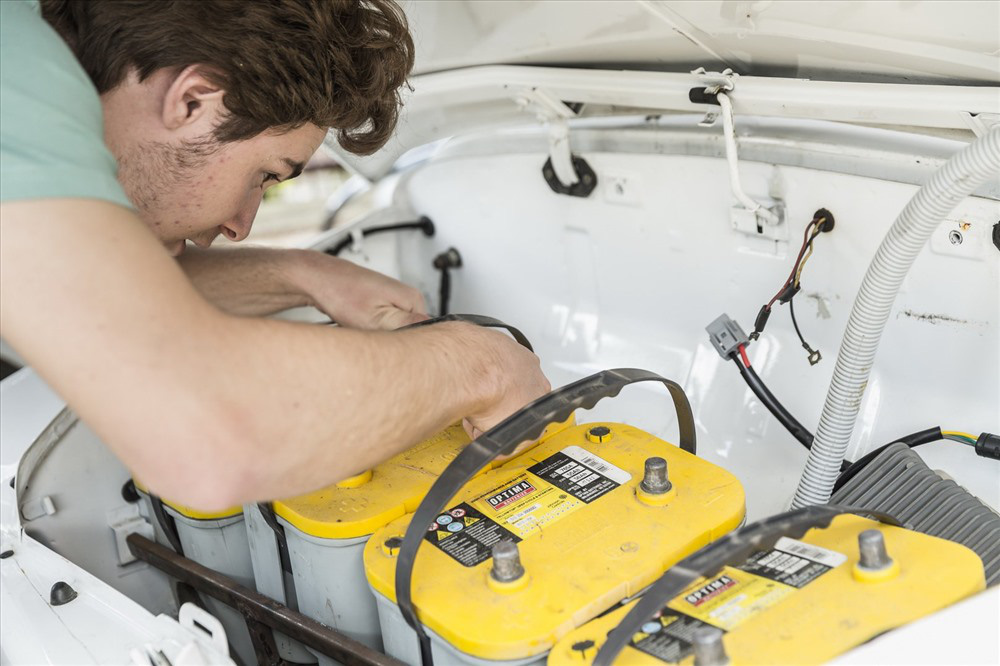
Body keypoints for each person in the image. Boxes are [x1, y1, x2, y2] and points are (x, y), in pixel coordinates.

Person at [0, 0, 551, 511]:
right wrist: (478, 369)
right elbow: (203, 438)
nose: (240, 226)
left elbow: (87, 295)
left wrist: (305, 275)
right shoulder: (15, 81)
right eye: (264, 176)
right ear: (193, 101)